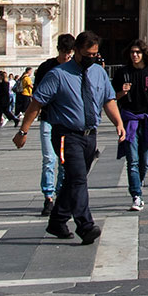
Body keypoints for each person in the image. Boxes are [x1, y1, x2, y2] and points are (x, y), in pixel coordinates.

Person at [14, 29, 126, 241]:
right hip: (66, 135)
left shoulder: (99, 72)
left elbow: (108, 100)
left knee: (75, 180)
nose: (91, 59)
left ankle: (57, 221)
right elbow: (36, 103)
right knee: (77, 179)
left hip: (89, 135)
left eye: (95, 55)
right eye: (87, 55)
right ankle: (85, 225)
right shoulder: (58, 74)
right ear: (76, 51)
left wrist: (118, 123)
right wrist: (23, 131)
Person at [116, 39, 148, 209]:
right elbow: (111, 98)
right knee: (132, 161)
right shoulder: (122, 73)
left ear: (144, 54)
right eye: (132, 52)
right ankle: (136, 195)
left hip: (147, 120)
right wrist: (122, 92)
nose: (135, 55)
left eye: (138, 52)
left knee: (144, 161)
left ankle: (137, 183)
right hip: (129, 120)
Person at [34, 34, 77, 211]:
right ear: (59, 50)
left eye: (70, 53)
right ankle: (48, 196)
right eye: (65, 52)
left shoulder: (74, 68)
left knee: (63, 161)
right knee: (48, 158)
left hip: (67, 121)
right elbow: (37, 94)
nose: (68, 56)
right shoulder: (46, 67)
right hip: (48, 118)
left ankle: (60, 194)